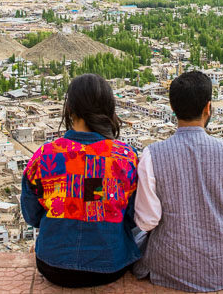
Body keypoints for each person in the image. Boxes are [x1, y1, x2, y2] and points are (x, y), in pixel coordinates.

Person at [133, 70, 223, 292]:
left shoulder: (152, 155)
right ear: (208, 107)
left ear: (172, 108)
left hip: (170, 266)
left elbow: (147, 222)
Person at [21, 73, 140, 288]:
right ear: (108, 109)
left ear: (69, 109)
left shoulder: (44, 156)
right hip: (110, 266)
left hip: (52, 266)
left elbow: (32, 216)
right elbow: (132, 217)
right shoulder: (125, 158)